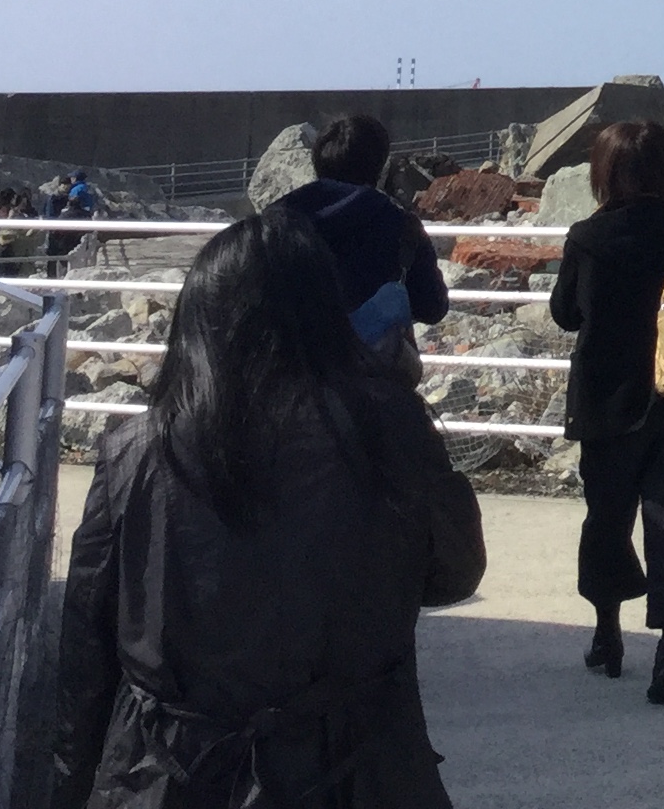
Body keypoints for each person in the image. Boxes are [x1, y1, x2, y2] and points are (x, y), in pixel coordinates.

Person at [50, 208, 484, 809]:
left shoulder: (136, 451)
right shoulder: (386, 427)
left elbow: (88, 643)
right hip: (353, 765)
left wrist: (71, 779)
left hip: (168, 771)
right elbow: (455, 573)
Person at [549, 119, 664, 707]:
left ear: (604, 173)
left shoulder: (587, 237)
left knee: (606, 519)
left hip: (605, 402)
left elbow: (564, 313)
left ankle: (608, 633)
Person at [270, 116, 449, 374]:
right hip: (371, 381)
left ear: (317, 162)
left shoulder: (271, 225)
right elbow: (433, 308)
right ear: (379, 167)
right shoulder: (400, 225)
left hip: (286, 378)